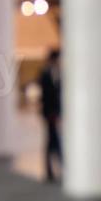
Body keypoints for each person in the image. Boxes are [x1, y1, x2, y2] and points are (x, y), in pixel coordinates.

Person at [38, 48, 63, 184]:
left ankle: (53, 170)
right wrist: (52, 112)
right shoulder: (46, 74)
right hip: (50, 113)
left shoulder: (57, 73)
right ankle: (53, 169)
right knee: (53, 142)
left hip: (54, 113)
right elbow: (47, 96)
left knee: (53, 141)